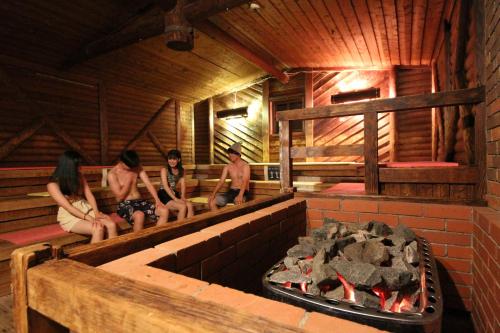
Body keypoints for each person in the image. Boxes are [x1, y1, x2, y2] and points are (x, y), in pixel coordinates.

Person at [47, 151, 118, 243]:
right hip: (70, 215)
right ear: (68, 167)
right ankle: (95, 256)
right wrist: (89, 218)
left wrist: (96, 213)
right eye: (77, 165)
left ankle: (114, 254)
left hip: (86, 208)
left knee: (111, 225)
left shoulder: (79, 176)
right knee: (98, 229)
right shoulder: (52, 184)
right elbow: (68, 207)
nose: (80, 168)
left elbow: (89, 195)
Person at [107, 150, 168, 231]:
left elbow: (148, 184)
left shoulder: (136, 167)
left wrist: (157, 200)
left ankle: (155, 238)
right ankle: (139, 243)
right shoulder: (112, 174)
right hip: (125, 205)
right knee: (140, 215)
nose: (132, 168)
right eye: (130, 167)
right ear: (122, 162)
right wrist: (129, 180)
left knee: (164, 210)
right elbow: (119, 197)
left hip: (140, 202)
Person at [208, 142, 250, 211]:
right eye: (229, 153)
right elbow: (221, 181)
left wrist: (240, 195)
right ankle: (220, 221)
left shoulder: (245, 166)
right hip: (231, 192)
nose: (229, 155)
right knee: (212, 202)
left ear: (238, 154)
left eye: (232, 153)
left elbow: (245, 181)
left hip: (243, 192)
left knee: (238, 202)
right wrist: (213, 194)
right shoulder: (228, 166)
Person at [158, 149, 194, 221]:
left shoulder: (182, 170)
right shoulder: (164, 170)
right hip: (164, 193)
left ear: (179, 159)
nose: (171, 161)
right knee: (183, 207)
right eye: (170, 159)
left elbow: (183, 184)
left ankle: (190, 226)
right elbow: (165, 186)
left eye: (174, 159)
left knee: (190, 205)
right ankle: (180, 228)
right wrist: (175, 199)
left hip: (173, 192)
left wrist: (183, 196)